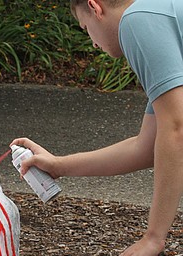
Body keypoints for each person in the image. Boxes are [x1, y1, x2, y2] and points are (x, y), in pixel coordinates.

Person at [10, 0, 183, 255]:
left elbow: (176, 130)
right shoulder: (161, 17)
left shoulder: (137, 21)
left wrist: (154, 237)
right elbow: (146, 147)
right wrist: (59, 165)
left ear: (95, 7)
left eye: (85, 27)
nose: (92, 41)